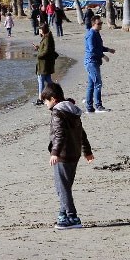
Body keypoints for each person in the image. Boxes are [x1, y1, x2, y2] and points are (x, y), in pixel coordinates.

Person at [40, 82, 94, 229]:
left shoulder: (58, 112)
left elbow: (60, 134)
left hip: (63, 155)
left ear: (53, 99)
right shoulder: (72, 111)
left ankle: (72, 217)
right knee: (65, 186)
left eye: (45, 100)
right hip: (74, 153)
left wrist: (55, 153)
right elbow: (81, 133)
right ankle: (63, 214)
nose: (45, 103)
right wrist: (87, 151)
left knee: (61, 187)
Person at [84, 16, 115, 112]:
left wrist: (108, 50)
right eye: (99, 23)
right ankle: (98, 105)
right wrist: (103, 56)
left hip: (94, 61)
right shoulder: (91, 34)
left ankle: (89, 107)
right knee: (98, 83)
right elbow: (92, 49)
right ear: (93, 24)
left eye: (101, 23)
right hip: (91, 61)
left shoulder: (96, 33)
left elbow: (99, 47)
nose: (101, 25)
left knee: (91, 84)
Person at [33, 24, 57, 105]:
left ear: (44, 30)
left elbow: (46, 51)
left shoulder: (47, 38)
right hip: (46, 64)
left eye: (40, 30)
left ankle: (40, 99)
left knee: (41, 81)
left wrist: (38, 55)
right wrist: (38, 48)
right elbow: (46, 49)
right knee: (48, 81)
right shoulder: (47, 37)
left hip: (43, 64)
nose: (39, 31)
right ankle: (55, 92)